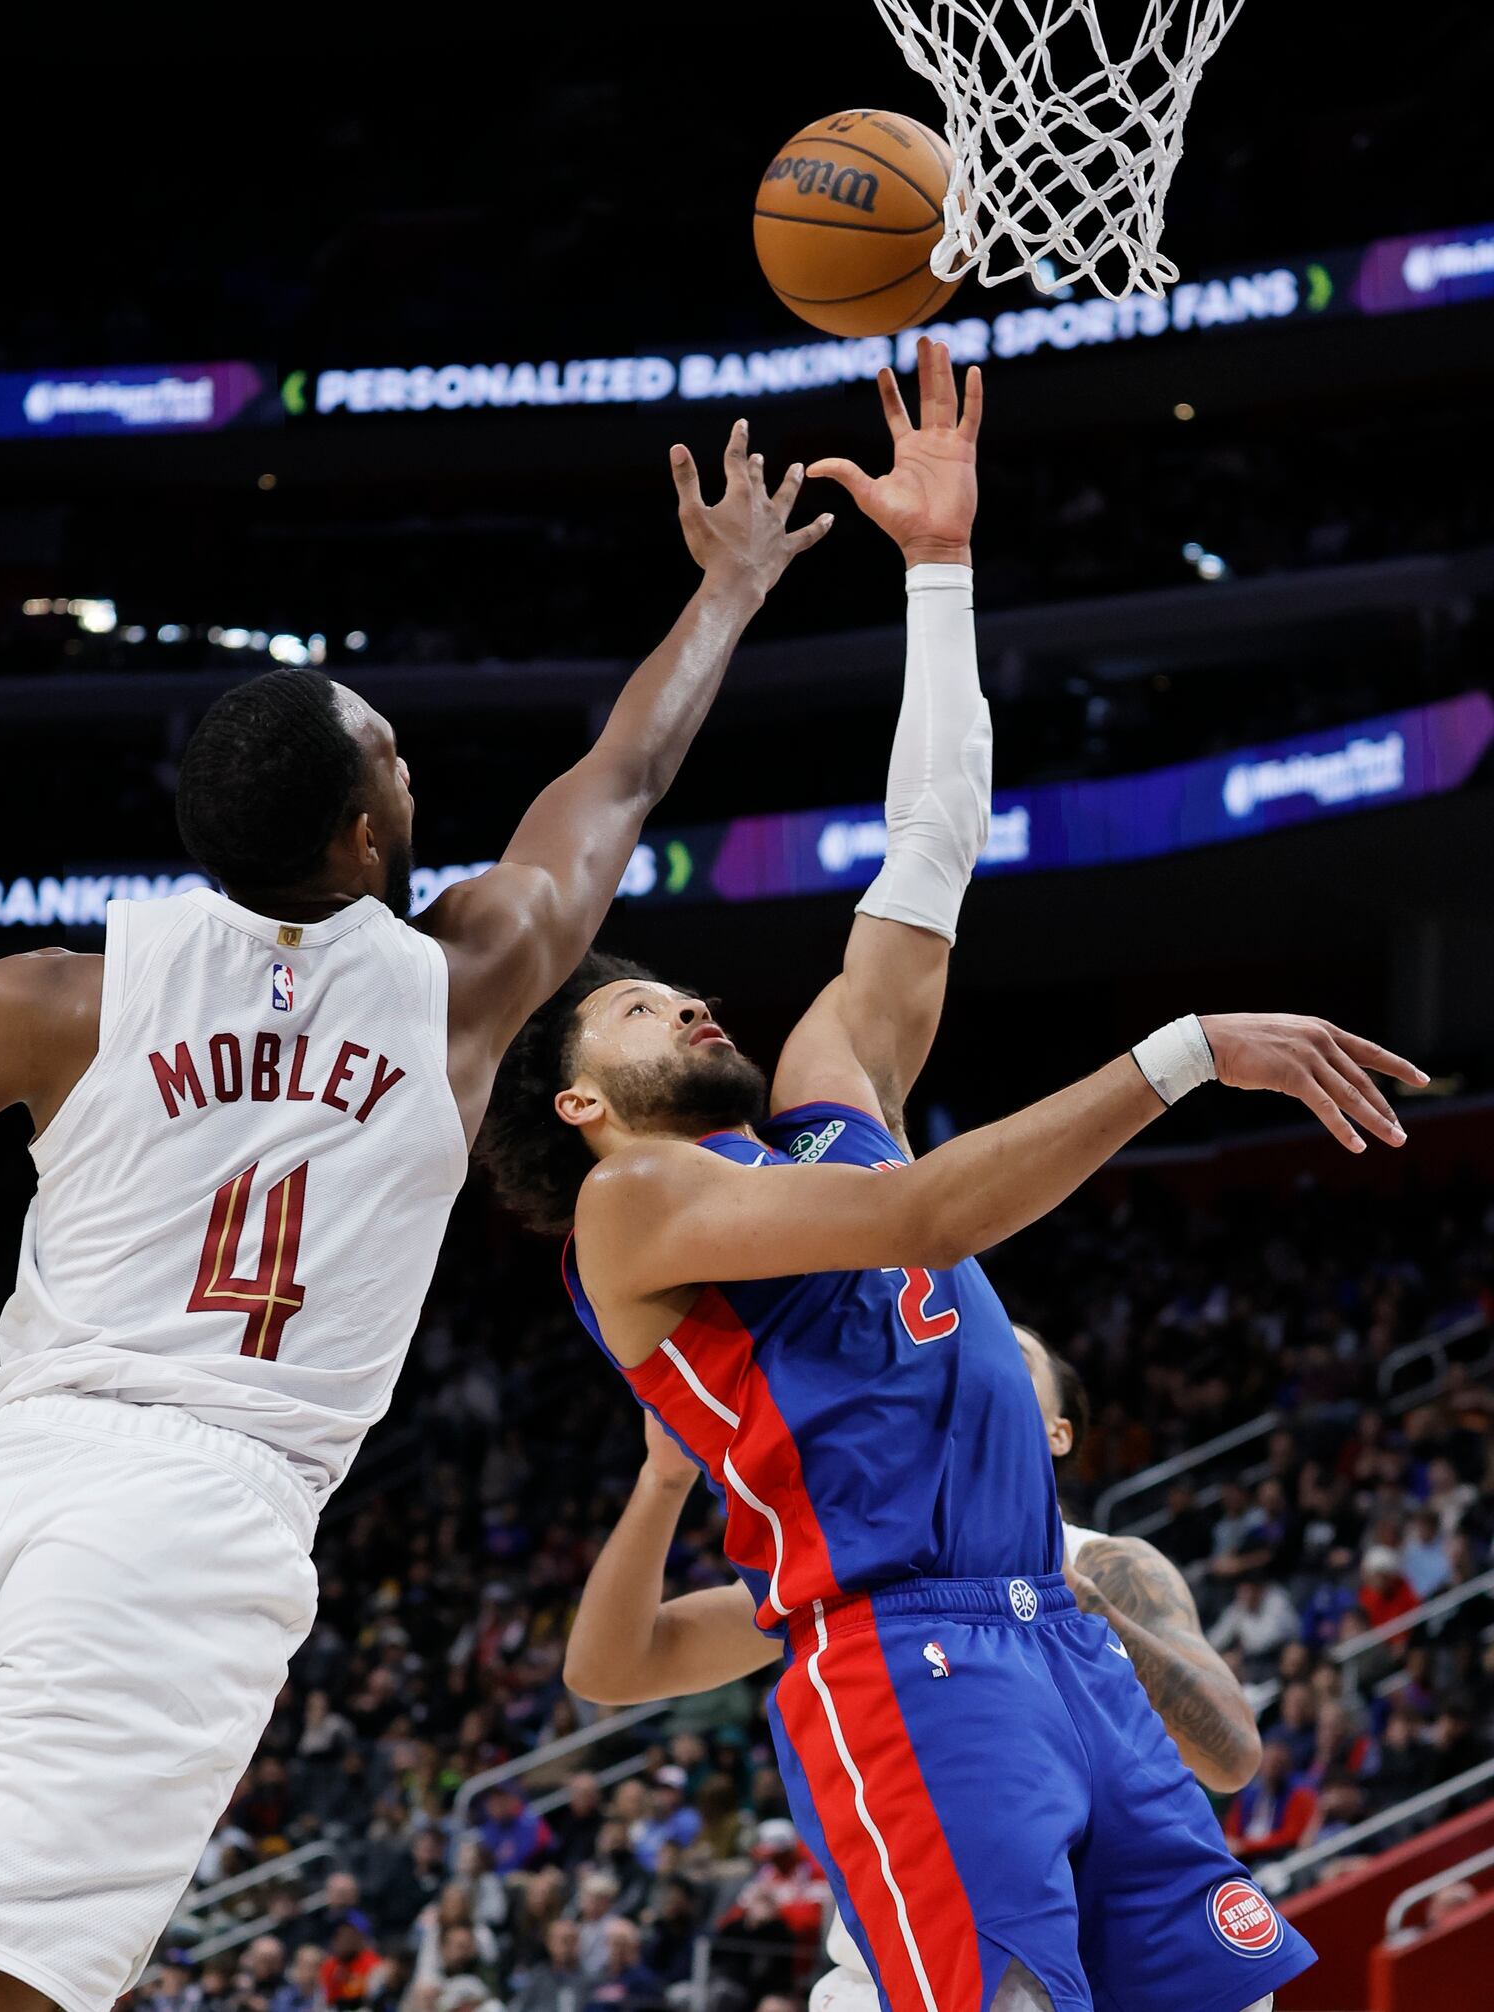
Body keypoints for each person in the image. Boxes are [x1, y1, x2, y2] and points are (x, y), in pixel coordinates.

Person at [479, 347, 1419, 2008]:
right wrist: (1185, 1050)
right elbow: (927, 1217)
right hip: (898, 1651)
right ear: (577, 1104)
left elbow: (932, 847)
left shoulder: (830, 1100)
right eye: (640, 1005)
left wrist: (938, 570)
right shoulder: (635, 1207)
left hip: (1051, 1630)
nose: (690, 999)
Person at [0, 419, 832, 2012]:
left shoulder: (52, 998)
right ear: (357, 836)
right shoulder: (462, 985)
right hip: (194, 1514)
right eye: (394, 758)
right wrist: (730, 591)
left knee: (2, 1953)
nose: (415, 770)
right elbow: (624, 773)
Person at [565, 1319, 1267, 2012]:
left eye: (1007, 1356)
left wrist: (1086, 1613)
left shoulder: (1107, 1564)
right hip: (904, 1978)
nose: (970, 1366)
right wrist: (663, 1479)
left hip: (1104, 1969)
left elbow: (1232, 1754)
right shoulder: (856, 1567)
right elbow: (611, 1669)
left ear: (1058, 1433)